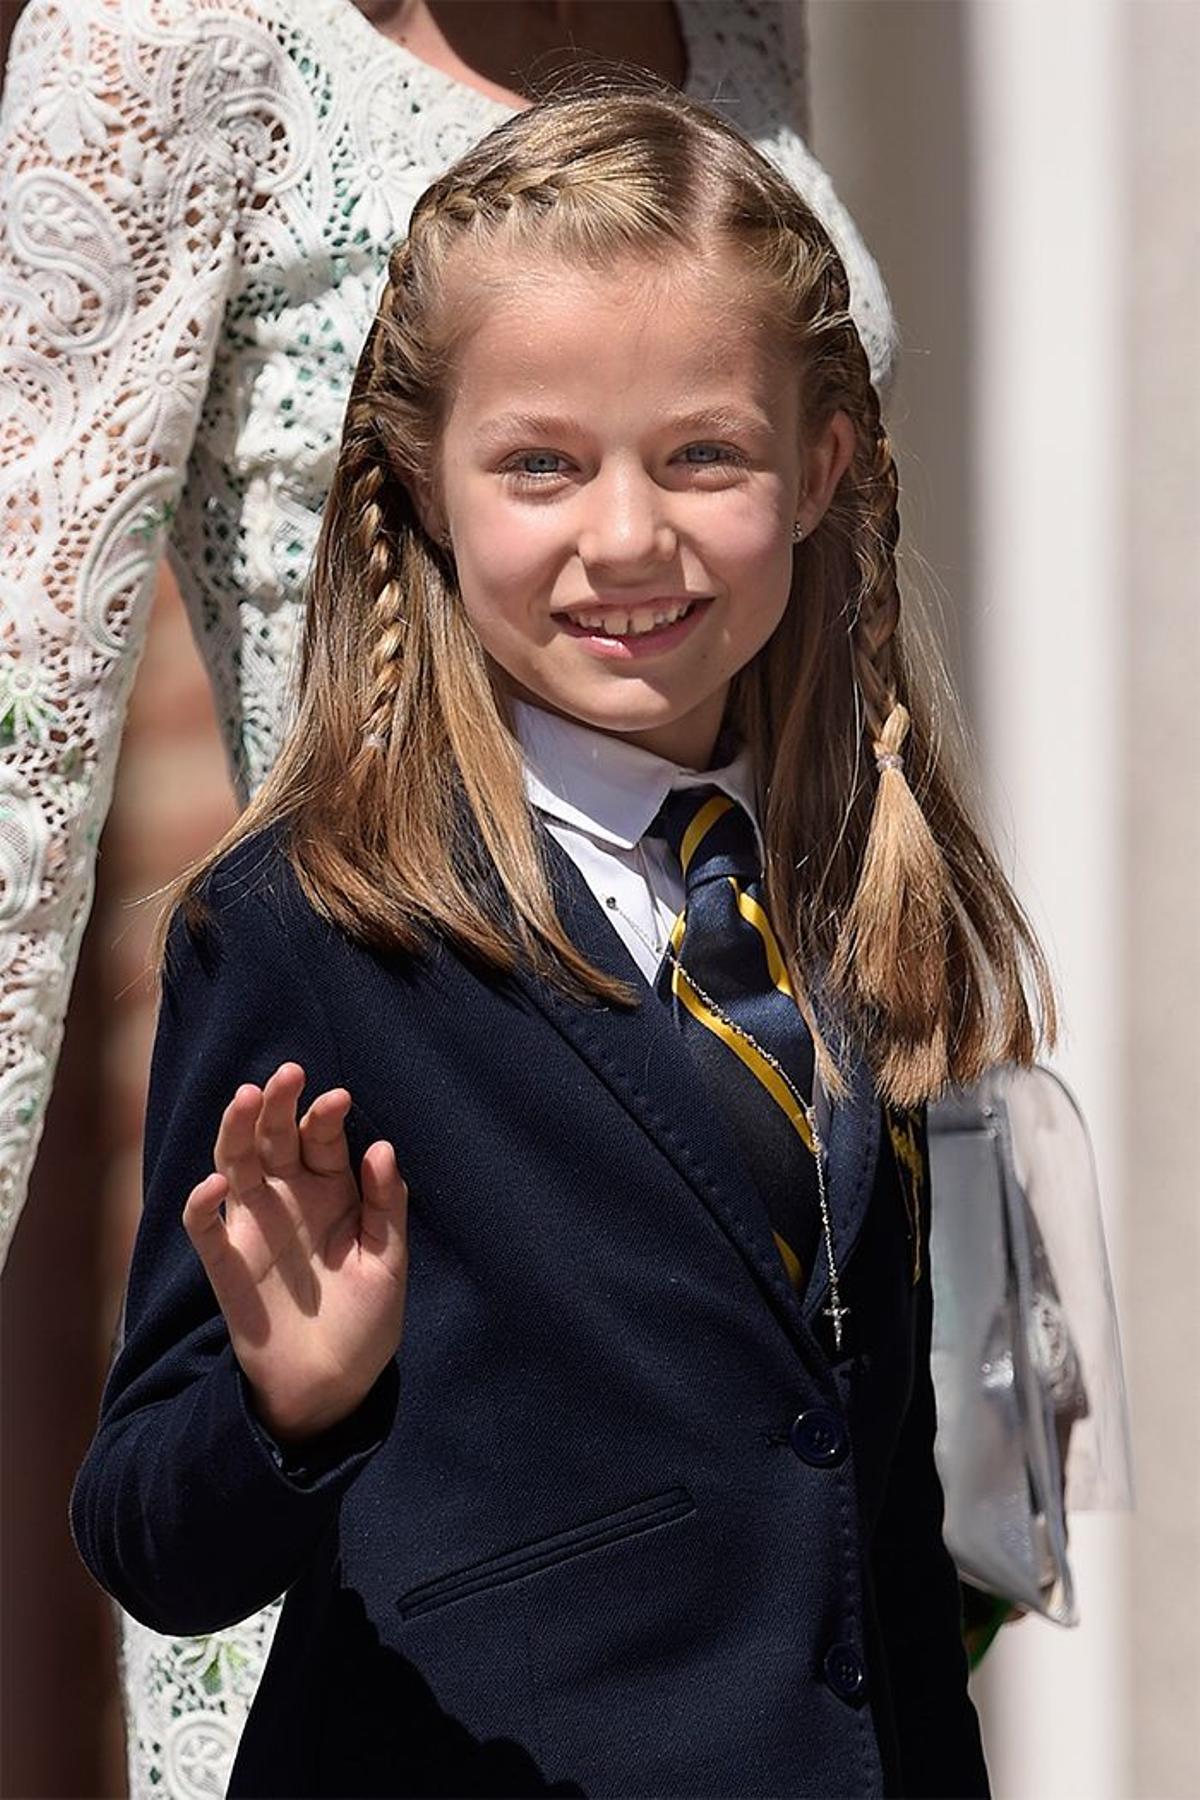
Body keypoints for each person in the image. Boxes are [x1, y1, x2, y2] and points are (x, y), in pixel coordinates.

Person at [70, 79, 1056, 1797]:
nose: (626, 535)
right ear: (421, 487)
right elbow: (150, 1533)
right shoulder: (310, 922)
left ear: (820, 466)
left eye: (704, 455)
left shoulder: (848, 873)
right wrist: (290, 1400)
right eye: (541, 464)